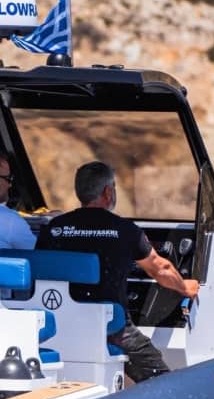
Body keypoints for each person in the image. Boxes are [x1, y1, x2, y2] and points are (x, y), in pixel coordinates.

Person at [35, 161, 199, 382]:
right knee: (162, 379)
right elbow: (161, 269)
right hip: (111, 328)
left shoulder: (52, 229)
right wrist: (185, 286)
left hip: (61, 322)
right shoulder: (125, 231)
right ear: (107, 191)